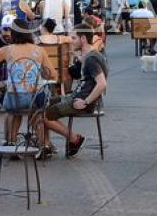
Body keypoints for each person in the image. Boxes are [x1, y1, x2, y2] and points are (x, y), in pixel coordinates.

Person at [41, 24, 108, 159]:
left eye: (74, 38)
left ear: (83, 38)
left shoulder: (91, 59)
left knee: (43, 115)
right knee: (43, 103)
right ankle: (45, 145)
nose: (71, 41)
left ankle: (75, 139)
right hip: (77, 96)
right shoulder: (90, 54)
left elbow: (102, 84)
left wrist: (85, 101)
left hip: (82, 101)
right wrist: (76, 56)